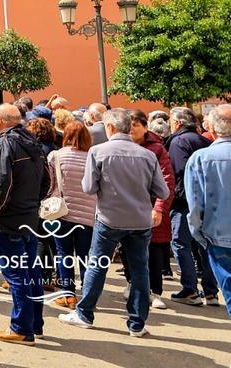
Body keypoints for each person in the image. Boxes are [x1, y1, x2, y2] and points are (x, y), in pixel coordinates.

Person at [59, 108, 169, 337]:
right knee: (140, 270)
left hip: (109, 219)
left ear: (109, 128)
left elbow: (88, 187)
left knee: (97, 266)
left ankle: (85, 314)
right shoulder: (147, 155)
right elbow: (162, 190)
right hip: (140, 220)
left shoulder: (98, 152)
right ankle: (137, 323)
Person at [0, 103, 50, 345]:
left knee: (17, 276)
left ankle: (22, 328)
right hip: (27, 217)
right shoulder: (32, 143)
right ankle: (34, 324)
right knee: (30, 274)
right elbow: (46, 182)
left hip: (8, 221)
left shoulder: (5, 144)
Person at [166, 106, 219, 305]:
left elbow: (180, 173)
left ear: (177, 123)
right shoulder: (205, 141)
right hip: (206, 200)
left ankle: (190, 289)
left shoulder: (178, 142)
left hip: (184, 202)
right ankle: (211, 292)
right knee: (204, 245)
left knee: (181, 243)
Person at [185, 103, 231, 317]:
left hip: (218, 236)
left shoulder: (200, 159)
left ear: (211, 129)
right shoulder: (200, 158)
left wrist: (198, 234)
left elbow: (195, 204)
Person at [45, 122, 97, 308]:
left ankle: (68, 294)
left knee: (63, 253)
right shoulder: (93, 157)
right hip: (88, 213)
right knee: (85, 255)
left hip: (62, 212)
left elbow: (49, 185)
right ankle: (88, 294)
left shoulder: (56, 156)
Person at [130, 109, 176, 310]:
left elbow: (167, 181)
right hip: (128, 207)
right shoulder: (121, 145)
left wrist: (159, 207)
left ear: (145, 127)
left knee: (154, 250)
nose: (132, 129)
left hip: (151, 207)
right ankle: (134, 285)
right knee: (129, 248)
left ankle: (156, 292)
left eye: (136, 125)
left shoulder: (157, 149)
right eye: (129, 125)